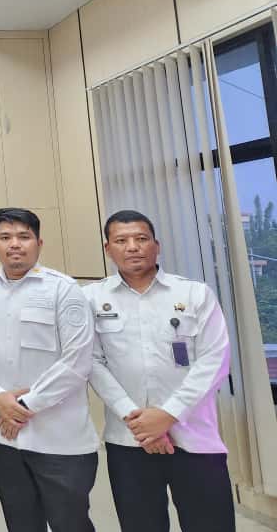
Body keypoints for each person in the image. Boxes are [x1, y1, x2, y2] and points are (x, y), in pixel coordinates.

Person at [84, 209, 235, 532]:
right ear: (108, 249)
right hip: (129, 439)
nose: (132, 247)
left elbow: (214, 360)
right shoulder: (91, 299)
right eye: (121, 241)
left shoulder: (194, 294)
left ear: (157, 245)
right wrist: (139, 422)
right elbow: (91, 362)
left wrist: (167, 416)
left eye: (141, 238)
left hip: (194, 436)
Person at [0, 208, 98, 532]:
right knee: (20, 523)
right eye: (5, 237)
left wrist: (24, 406)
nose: (14, 244)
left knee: (71, 524)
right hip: (3, 437)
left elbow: (77, 361)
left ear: (39, 243)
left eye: (24, 236)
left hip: (60, 437)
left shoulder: (64, 289)